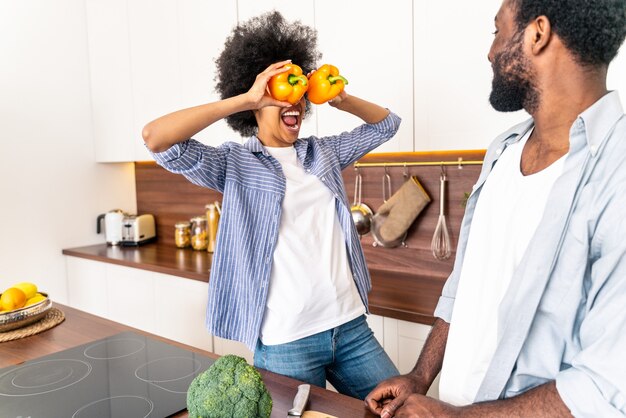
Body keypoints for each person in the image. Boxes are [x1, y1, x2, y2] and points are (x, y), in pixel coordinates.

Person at [365, 0, 626, 416]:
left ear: (537, 33)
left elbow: (608, 385)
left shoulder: (616, 174)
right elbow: (465, 286)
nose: (491, 51)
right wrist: (420, 377)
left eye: (497, 31)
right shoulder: (502, 153)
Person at [142, 11, 399, 400]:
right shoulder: (235, 164)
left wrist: (341, 98)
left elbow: (387, 125)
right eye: (281, 94)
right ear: (257, 104)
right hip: (285, 341)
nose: (293, 101)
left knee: (404, 408)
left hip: (349, 327)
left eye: (297, 92)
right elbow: (156, 138)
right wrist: (243, 98)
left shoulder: (322, 153)